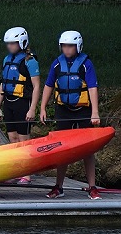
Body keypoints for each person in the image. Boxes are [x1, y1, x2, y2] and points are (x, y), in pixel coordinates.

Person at [40, 30, 101, 200]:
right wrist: (42, 108)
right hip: (63, 110)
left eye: (71, 46)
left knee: (88, 150)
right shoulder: (57, 64)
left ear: (78, 47)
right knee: (62, 148)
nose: (67, 49)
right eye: (64, 46)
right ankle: (58, 187)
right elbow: (48, 85)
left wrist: (95, 112)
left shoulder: (86, 64)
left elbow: (92, 88)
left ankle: (92, 187)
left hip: (83, 110)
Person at [0, 27, 41, 184]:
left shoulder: (30, 61)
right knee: (12, 137)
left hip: (22, 103)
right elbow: (3, 83)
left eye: (13, 43)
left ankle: (26, 173)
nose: (9, 46)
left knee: (23, 138)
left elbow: (36, 86)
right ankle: (16, 170)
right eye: (8, 43)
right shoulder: (7, 59)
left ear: (21, 42)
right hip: (9, 102)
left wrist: (32, 109)